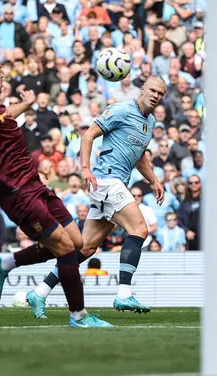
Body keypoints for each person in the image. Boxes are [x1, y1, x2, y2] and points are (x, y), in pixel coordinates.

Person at [0, 54, 111, 328]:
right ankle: (78, 316)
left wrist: (28, 103)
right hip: (17, 191)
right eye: (0, 70)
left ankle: (4, 264)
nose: (3, 73)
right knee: (65, 248)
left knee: (77, 243)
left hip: (33, 182)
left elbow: (5, 116)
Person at [29, 75, 167, 317]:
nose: (156, 96)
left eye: (161, 93)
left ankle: (39, 292)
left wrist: (153, 180)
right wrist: (84, 168)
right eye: (153, 90)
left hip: (113, 183)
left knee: (86, 248)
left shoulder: (151, 121)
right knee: (139, 230)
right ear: (142, 89)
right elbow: (88, 134)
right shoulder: (121, 110)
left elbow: (140, 155)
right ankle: (124, 294)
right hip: (106, 180)